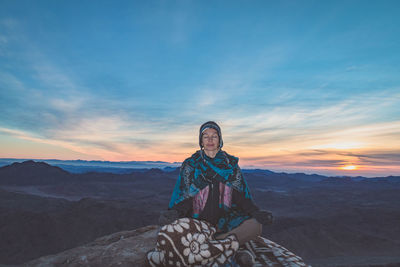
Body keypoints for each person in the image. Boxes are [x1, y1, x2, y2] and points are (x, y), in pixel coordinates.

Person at [160, 121, 273, 247]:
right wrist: (175, 212)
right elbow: (185, 195)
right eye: (205, 136)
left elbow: (240, 196)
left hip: (227, 221)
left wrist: (255, 212)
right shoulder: (191, 165)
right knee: (171, 230)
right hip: (196, 221)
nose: (210, 140)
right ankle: (225, 246)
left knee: (255, 226)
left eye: (214, 136)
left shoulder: (230, 166)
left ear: (220, 140)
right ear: (201, 141)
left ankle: (213, 245)